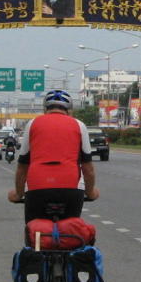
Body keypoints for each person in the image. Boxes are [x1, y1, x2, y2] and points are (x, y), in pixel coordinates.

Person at [8, 89, 98, 219]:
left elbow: (22, 167)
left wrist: (18, 194)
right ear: (70, 110)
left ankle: (36, 239)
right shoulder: (79, 125)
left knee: (34, 229)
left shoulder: (32, 124)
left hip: (37, 187)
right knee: (72, 228)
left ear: (45, 109)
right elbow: (88, 169)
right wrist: (90, 193)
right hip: (71, 188)